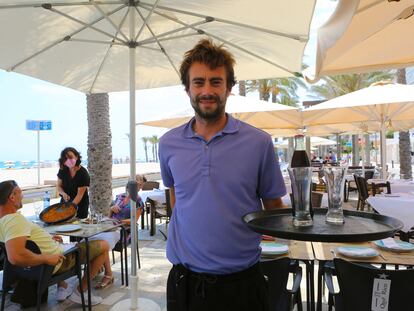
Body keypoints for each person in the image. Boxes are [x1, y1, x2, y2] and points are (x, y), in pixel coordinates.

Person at [158, 39, 286, 311]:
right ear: (187, 88)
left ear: (229, 88)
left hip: (241, 286)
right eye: (199, 82)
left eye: (216, 82)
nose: (207, 91)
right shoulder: (168, 143)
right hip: (184, 285)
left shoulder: (259, 142)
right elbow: (175, 196)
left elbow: (274, 209)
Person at [0, 180, 109, 305]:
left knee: (60, 242)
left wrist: (46, 239)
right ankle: (79, 292)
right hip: (55, 262)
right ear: (12, 197)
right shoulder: (14, 220)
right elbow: (15, 256)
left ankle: (63, 287)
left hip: (31, 268)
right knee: (104, 245)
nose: (23, 196)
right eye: (20, 193)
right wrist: (46, 258)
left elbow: (24, 243)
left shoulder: (4, 220)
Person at [89, 174, 146, 289]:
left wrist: (119, 222)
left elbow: (134, 220)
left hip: (125, 231)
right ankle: (98, 266)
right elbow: (110, 216)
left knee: (103, 242)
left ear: (140, 187)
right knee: (93, 238)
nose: (136, 185)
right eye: (135, 182)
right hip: (110, 227)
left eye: (139, 184)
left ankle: (108, 274)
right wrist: (111, 209)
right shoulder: (119, 196)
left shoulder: (138, 201)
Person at [57, 147, 90, 219]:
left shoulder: (83, 173)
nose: (68, 160)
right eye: (65, 158)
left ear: (77, 157)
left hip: (80, 205)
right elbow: (59, 186)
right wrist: (63, 193)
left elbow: (79, 195)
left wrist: (69, 209)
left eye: (70, 157)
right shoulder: (63, 169)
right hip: (65, 203)